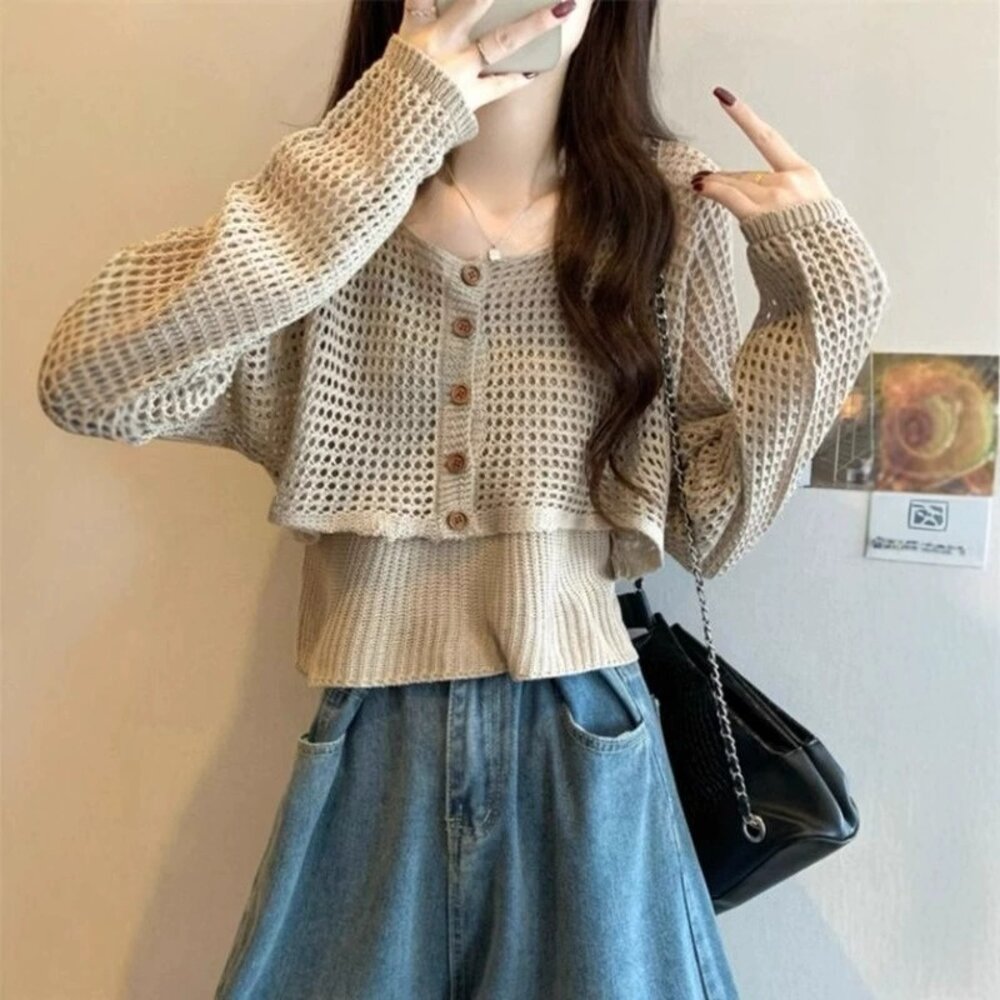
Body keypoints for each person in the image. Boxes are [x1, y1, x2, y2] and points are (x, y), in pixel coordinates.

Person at [35, 0, 891, 997]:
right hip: (371, 740)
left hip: (587, 733)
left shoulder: (662, 214)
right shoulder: (323, 218)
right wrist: (385, 131)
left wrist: (823, 295)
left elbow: (709, 524)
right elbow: (89, 383)